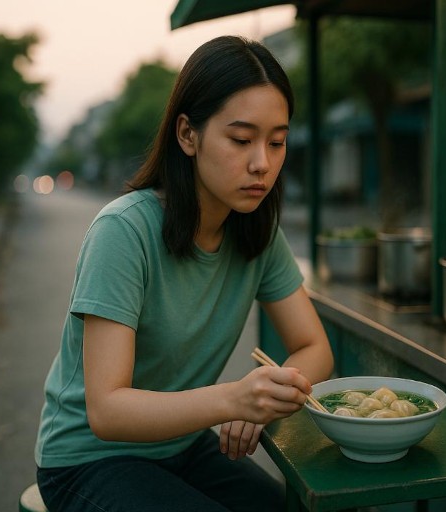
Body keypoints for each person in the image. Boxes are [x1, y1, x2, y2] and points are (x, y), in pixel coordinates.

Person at [34, 35, 334, 511]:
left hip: (180, 444)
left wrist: (269, 398)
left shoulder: (257, 231)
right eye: (241, 139)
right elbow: (107, 410)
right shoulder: (124, 231)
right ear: (187, 135)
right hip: (88, 461)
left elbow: (315, 347)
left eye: (276, 142)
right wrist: (232, 401)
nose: (262, 163)